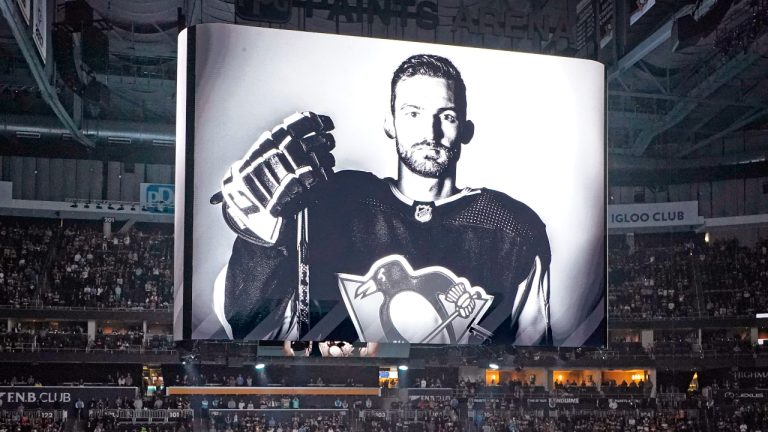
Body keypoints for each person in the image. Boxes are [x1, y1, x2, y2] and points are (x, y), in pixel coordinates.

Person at [216, 54, 551, 345]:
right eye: (413, 113)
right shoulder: (335, 203)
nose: (430, 132)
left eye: (445, 116)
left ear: (465, 129)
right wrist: (259, 243)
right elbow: (252, 328)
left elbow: (533, 347)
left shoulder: (511, 228)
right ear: (390, 124)